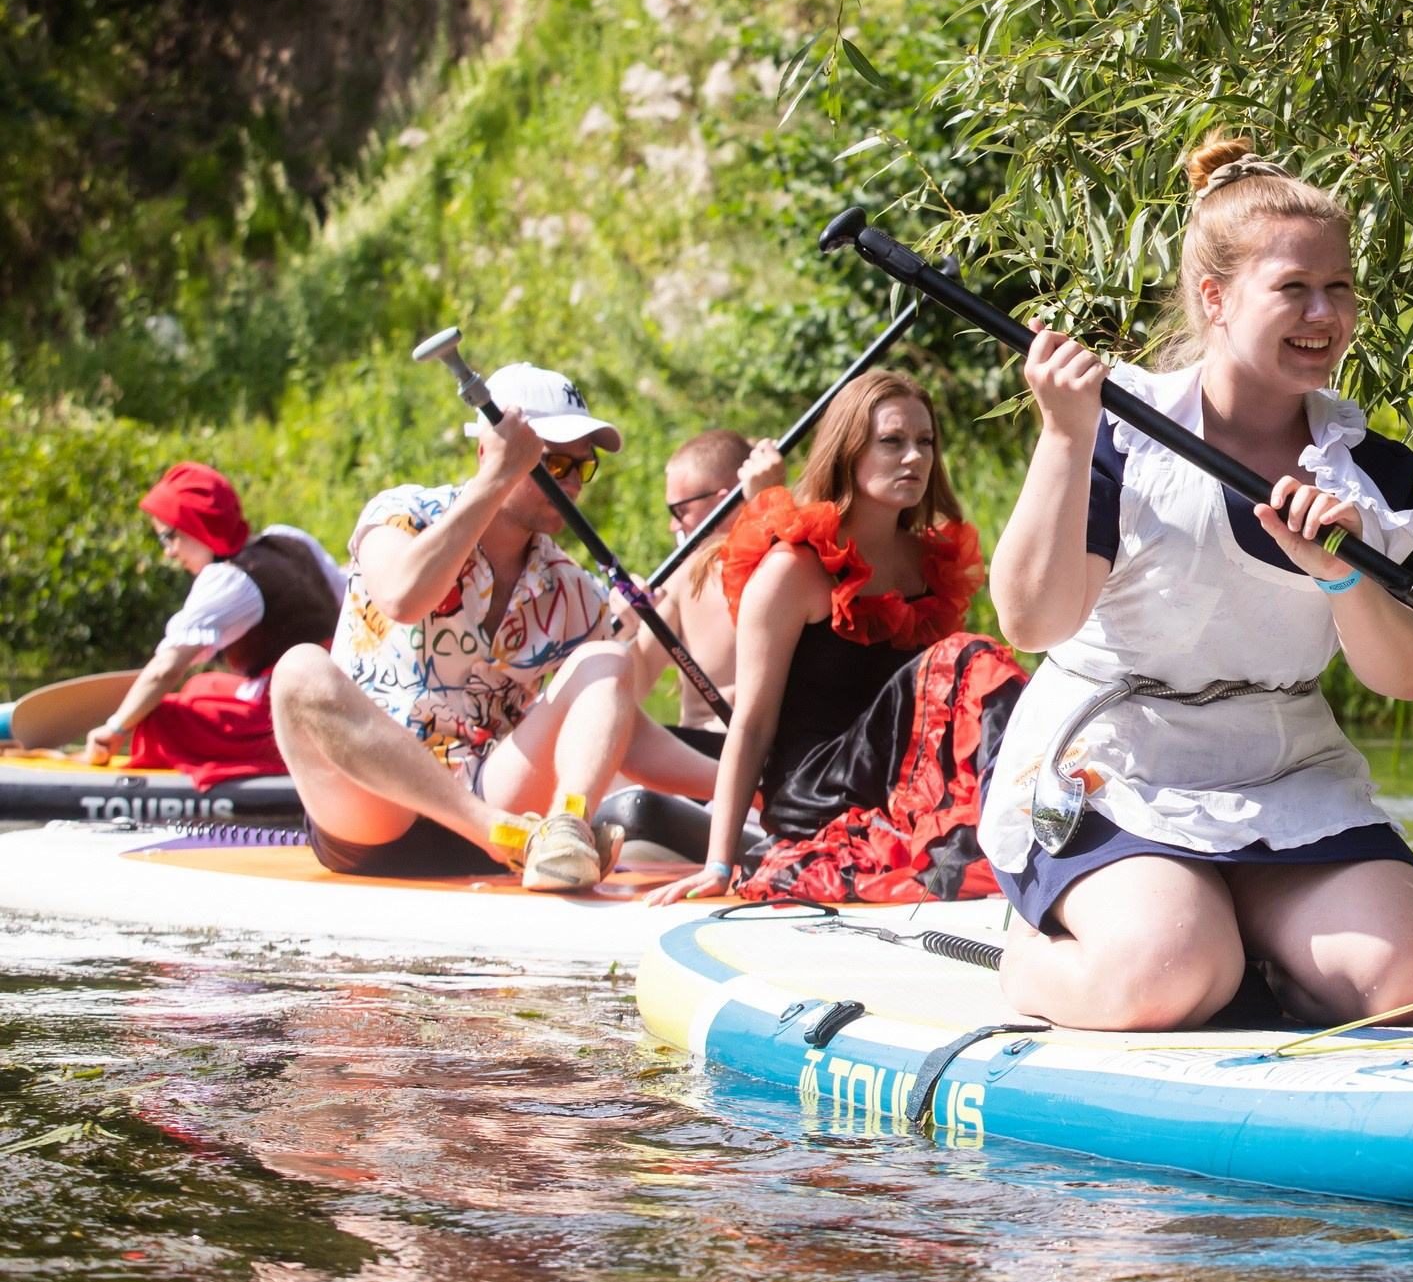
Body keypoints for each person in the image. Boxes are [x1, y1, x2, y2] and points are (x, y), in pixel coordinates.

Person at [970, 134, 1413, 1034]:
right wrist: (1064, 436)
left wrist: (1342, 576)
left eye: (1340, 286)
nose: (1324, 313)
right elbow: (1031, 621)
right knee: (1169, 969)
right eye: (1293, 287)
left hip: (1284, 765)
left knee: (1401, 979)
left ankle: (1239, 944)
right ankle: (1037, 958)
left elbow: (1407, 674)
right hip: (1113, 761)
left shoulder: (1373, 472)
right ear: (1215, 297)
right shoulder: (1120, 430)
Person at [268, 363, 718, 889]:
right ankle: (511, 837)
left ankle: (566, 831)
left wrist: (751, 786)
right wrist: (496, 480)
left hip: (497, 794)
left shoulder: (573, 591)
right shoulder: (402, 513)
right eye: (554, 463)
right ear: (490, 452)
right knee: (298, 670)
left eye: (583, 467)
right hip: (376, 812)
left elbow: (621, 731)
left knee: (608, 660)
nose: (572, 483)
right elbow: (402, 599)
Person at [642, 371, 1027, 908]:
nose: (914, 457)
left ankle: (1041, 830)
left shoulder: (929, 564)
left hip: (890, 785)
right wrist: (718, 864)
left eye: (925, 442)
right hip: (815, 793)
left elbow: (939, 716)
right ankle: (1033, 832)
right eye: (891, 441)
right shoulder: (791, 570)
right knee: (971, 657)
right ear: (849, 451)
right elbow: (751, 726)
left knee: (977, 672)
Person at [83, 463, 345, 787]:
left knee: (158, 720)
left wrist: (116, 729)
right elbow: (344, 597)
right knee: (200, 686)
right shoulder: (289, 540)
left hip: (292, 714)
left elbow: (166, 669)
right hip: (328, 689)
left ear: (194, 525)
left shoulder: (228, 580)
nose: (169, 552)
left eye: (169, 537)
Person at [624, 427, 787, 747]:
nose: (673, 525)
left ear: (724, 501)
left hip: (772, 754)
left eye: (680, 511)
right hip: (696, 749)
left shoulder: (789, 557)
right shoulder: (684, 577)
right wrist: (627, 631)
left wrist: (768, 503)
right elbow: (635, 689)